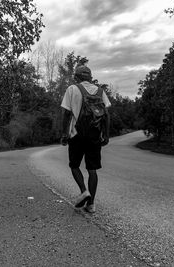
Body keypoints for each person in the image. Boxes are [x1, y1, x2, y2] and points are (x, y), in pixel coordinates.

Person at [60, 65, 111, 213]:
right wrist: (106, 135)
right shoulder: (100, 91)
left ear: (77, 77)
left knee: (74, 165)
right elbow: (106, 115)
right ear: (89, 77)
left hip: (77, 134)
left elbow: (67, 114)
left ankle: (84, 191)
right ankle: (91, 204)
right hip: (94, 136)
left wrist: (64, 134)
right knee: (92, 169)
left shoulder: (72, 89)